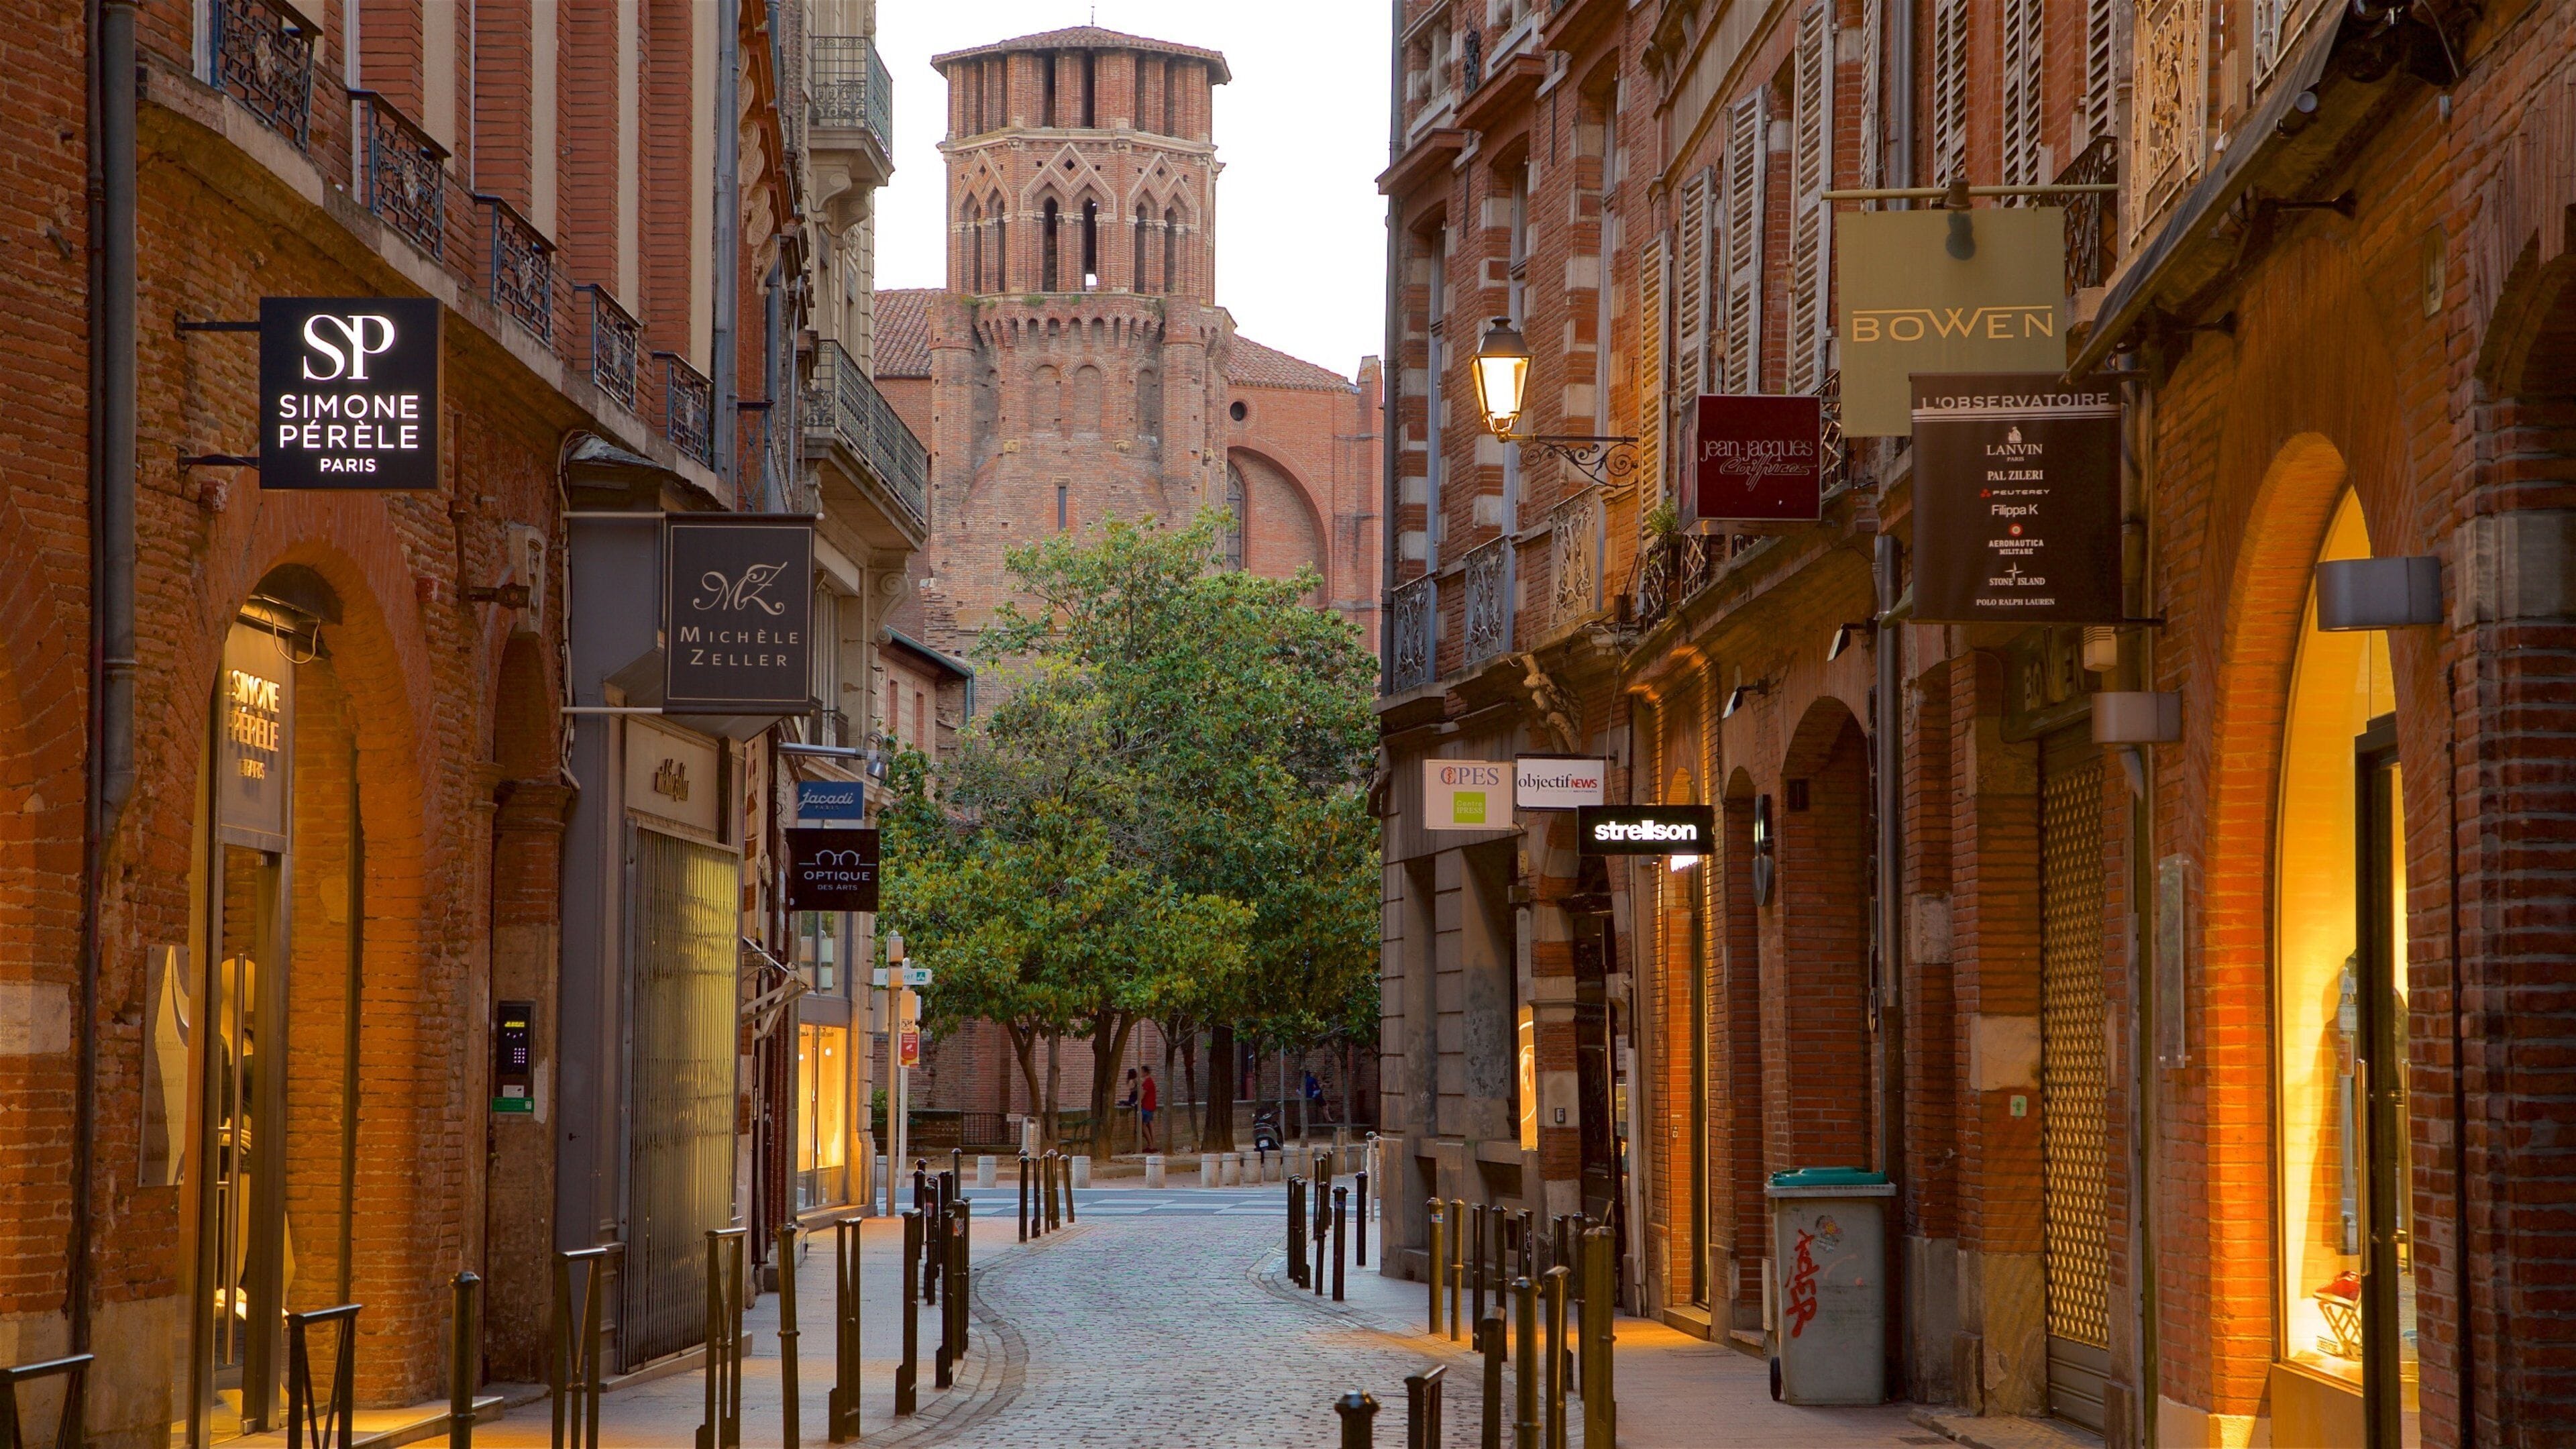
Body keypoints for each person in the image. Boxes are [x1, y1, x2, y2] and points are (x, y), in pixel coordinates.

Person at [1138, 1064, 1159, 1152]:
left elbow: (1142, 1095)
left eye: (1141, 1072)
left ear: (1145, 1072)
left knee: (1143, 1125)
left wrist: (1137, 1102)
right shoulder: (1151, 1082)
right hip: (1152, 1106)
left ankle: (1150, 1145)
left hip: (1146, 1107)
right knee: (1151, 1125)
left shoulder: (1147, 1082)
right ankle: (1153, 1145)